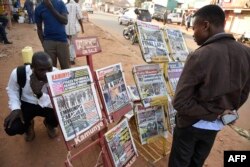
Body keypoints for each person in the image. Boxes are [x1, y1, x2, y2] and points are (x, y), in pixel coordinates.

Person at [168, 5, 250, 167]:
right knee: (197, 162)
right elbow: (243, 93)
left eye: (194, 28)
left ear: (205, 25)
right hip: (214, 127)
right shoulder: (246, 53)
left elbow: (180, 103)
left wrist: (216, 113)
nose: (193, 34)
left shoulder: (200, 55)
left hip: (191, 124)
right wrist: (223, 113)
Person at [4, 52, 58, 142]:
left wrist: (39, 94)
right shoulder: (18, 73)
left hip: (47, 105)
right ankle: (28, 125)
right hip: (26, 104)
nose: (46, 73)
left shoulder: (56, 74)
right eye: (41, 70)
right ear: (32, 67)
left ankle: (50, 124)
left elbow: (58, 100)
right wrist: (16, 108)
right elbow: (12, 89)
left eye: (49, 69)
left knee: (61, 115)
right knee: (12, 127)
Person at [35, 0, 70, 69]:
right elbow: (39, 29)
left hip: (62, 41)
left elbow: (65, 21)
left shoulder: (60, 3)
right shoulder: (39, 8)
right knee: (50, 69)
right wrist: (43, 43)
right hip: (48, 42)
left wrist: (51, 7)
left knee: (66, 68)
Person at [65, 0, 84, 65]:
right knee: (73, 44)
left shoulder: (65, 5)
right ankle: (71, 59)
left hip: (66, 28)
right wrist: (82, 27)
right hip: (74, 29)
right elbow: (79, 18)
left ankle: (68, 57)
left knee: (67, 43)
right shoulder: (76, 5)